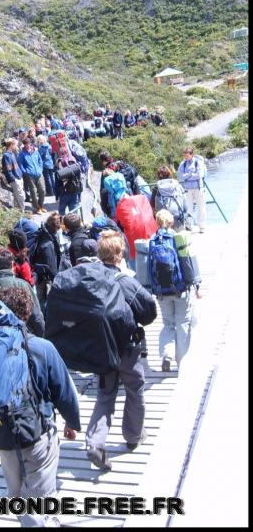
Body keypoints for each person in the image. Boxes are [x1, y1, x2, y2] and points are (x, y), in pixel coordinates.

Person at [0, 286, 81, 527]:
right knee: (40, 500)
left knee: (20, 494)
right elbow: (64, 391)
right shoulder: (42, 347)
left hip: (3, 436)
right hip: (37, 433)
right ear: (27, 312)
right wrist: (72, 423)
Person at [87, 231, 157, 468]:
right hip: (127, 348)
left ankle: (95, 443)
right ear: (119, 254)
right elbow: (148, 312)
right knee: (135, 390)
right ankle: (133, 436)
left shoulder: (89, 279)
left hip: (101, 350)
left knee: (105, 396)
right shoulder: (126, 281)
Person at [151, 210, 199, 371]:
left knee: (167, 323)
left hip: (161, 292)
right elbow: (188, 264)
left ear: (156, 222)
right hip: (180, 289)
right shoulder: (178, 238)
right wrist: (196, 286)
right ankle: (182, 361)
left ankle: (166, 354)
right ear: (171, 222)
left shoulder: (151, 240)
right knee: (183, 323)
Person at [0, 248, 45, 337]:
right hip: (23, 335)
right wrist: (40, 336)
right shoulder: (22, 284)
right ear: (12, 264)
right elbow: (36, 315)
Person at [115, 191, 158, 270]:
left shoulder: (121, 206)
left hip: (134, 244)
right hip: (152, 235)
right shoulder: (142, 199)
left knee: (137, 268)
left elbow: (119, 226)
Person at [31, 212, 62, 309]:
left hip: (40, 273)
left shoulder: (43, 233)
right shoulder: (48, 244)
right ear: (55, 227)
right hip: (45, 278)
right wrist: (57, 281)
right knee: (45, 301)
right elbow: (51, 266)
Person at [177, 147, 207, 233]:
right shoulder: (183, 164)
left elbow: (199, 175)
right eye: (184, 155)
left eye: (187, 155)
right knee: (188, 208)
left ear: (191, 155)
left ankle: (202, 226)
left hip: (198, 188)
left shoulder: (198, 162)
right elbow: (180, 176)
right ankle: (189, 226)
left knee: (201, 207)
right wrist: (190, 174)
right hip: (188, 189)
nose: (185, 157)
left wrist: (187, 176)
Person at [151, 165, 188, 231]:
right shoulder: (178, 186)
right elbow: (185, 204)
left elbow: (152, 205)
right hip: (178, 219)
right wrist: (184, 217)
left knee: (167, 239)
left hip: (163, 221)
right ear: (169, 174)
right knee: (180, 238)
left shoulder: (156, 189)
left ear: (159, 176)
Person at [18, 138, 46, 214]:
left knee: (42, 190)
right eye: (26, 144)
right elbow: (20, 165)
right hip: (30, 175)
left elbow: (40, 161)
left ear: (31, 143)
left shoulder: (35, 152)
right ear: (24, 145)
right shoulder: (22, 154)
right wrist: (26, 172)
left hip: (39, 174)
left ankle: (41, 205)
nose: (28, 145)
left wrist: (40, 169)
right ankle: (37, 208)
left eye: (29, 143)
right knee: (33, 191)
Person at [1, 138, 25, 212]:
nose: (16, 147)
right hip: (15, 179)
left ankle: (17, 212)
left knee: (17, 196)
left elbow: (16, 165)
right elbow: (8, 169)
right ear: (11, 145)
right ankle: (22, 211)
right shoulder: (6, 156)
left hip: (19, 177)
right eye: (15, 145)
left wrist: (20, 174)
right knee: (21, 196)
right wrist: (13, 179)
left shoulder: (12, 153)